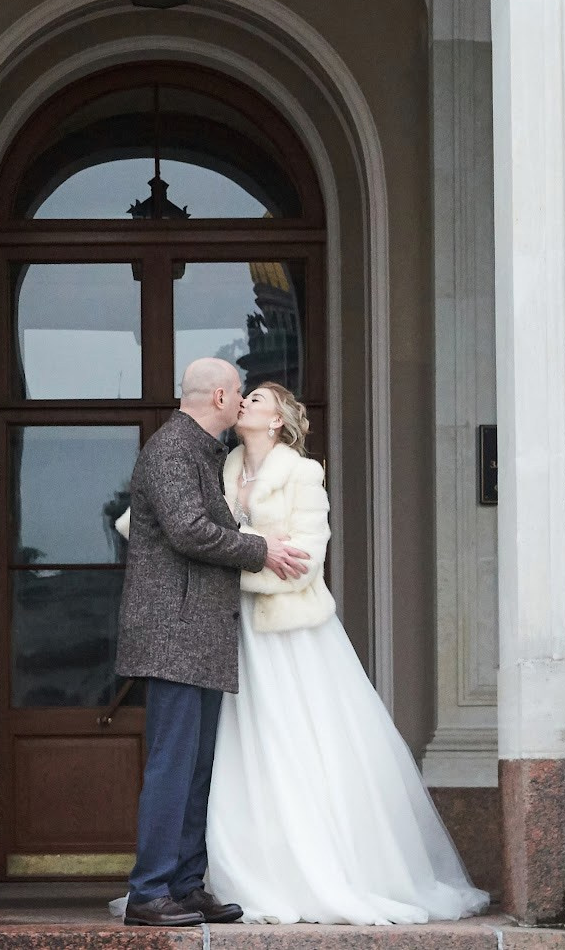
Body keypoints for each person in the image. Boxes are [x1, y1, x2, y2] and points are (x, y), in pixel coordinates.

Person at [202, 382, 490, 925]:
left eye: (257, 400)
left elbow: (304, 562)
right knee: (244, 748)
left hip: (293, 635)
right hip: (235, 631)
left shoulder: (302, 474)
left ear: (278, 420)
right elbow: (215, 539)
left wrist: (234, 565)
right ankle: (251, 873)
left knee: (303, 743)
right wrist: (258, 552)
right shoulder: (225, 466)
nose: (245, 404)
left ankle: (328, 872)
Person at [114, 357, 311, 927]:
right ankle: (148, 893)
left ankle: (183, 883)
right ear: (221, 396)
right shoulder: (173, 449)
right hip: (174, 634)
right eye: (240, 393)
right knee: (173, 765)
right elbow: (189, 531)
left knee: (197, 767)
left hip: (198, 633)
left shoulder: (201, 451)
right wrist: (262, 550)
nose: (243, 400)